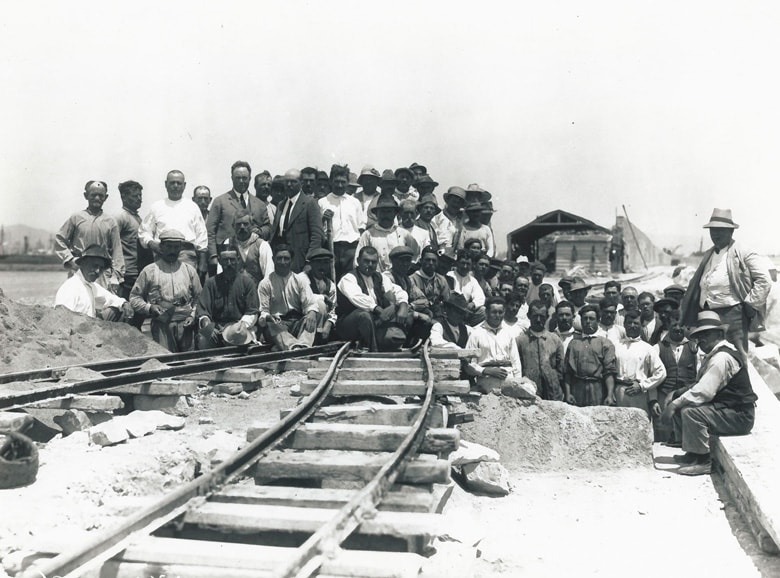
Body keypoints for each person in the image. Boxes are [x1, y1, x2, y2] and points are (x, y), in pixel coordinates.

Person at [661, 311, 757, 475]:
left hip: (740, 415)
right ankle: (692, 453)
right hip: (728, 410)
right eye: (699, 334)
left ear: (719, 334)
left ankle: (704, 461)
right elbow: (699, 383)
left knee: (691, 412)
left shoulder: (721, 358)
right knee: (682, 401)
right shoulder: (715, 355)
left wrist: (674, 404)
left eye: (706, 333)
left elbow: (703, 391)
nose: (701, 338)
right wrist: (676, 393)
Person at [680, 208, 771, 360]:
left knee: (736, 356)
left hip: (732, 315)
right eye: (713, 230)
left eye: (721, 230)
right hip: (708, 315)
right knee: (711, 356)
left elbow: (764, 280)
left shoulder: (742, 251)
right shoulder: (709, 254)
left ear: (731, 232)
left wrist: (750, 304)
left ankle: (740, 384)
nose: (716, 234)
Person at [130, 230, 201, 352]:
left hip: (186, 324)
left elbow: (199, 299)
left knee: (189, 362)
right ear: (161, 247)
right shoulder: (149, 271)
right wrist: (149, 307)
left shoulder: (189, 271)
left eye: (176, 247)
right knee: (166, 361)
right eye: (168, 246)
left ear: (181, 248)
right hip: (162, 324)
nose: (172, 251)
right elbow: (134, 298)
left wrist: (192, 315)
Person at [336, 246, 411, 351]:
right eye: (366, 261)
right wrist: (378, 309)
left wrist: (403, 305)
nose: (370, 265)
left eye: (373, 262)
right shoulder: (349, 278)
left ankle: (404, 345)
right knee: (364, 315)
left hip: (374, 321)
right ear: (358, 261)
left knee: (407, 313)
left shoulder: (379, 277)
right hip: (349, 324)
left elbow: (397, 291)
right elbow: (357, 297)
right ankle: (374, 351)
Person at [55, 180, 125, 291]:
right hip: (79, 269)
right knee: (78, 301)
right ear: (86, 196)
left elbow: (117, 251)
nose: (97, 198)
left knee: (101, 303)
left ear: (105, 197)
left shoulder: (111, 221)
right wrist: (70, 260)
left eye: (100, 195)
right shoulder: (76, 217)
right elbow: (59, 239)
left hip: (101, 272)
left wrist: (116, 276)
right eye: (93, 195)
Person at [138, 170, 208, 277]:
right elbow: (144, 231)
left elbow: (201, 236)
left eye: (179, 183)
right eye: (172, 183)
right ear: (166, 184)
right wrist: (152, 244)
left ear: (184, 186)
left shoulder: (192, 207)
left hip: (186, 256)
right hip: (162, 255)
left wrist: (202, 263)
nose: (175, 186)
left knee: (186, 289)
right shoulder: (157, 206)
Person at [207, 161, 271, 277]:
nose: (241, 181)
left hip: (253, 260)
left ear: (250, 178)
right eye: (238, 178)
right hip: (227, 257)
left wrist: (260, 231)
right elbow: (210, 231)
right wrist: (213, 256)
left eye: (244, 178)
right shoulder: (220, 201)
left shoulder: (260, 204)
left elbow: (267, 226)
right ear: (232, 178)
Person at [465, 297, 536, 398]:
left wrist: (517, 383)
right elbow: (468, 364)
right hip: (486, 386)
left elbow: (515, 362)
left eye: (500, 312)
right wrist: (485, 371)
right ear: (487, 312)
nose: (497, 316)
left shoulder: (508, 333)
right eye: (494, 312)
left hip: (509, 385)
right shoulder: (476, 333)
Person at [196, 243, 259, 349]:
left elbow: (252, 311)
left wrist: (240, 327)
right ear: (220, 261)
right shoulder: (211, 283)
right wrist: (207, 326)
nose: (229, 264)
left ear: (238, 260)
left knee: (247, 346)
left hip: (239, 328)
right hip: (217, 330)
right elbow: (203, 312)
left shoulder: (247, 283)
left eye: (232, 259)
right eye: (225, 260)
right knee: (202, 339)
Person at [258, 245, 320, 350]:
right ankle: (294, 347)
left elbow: (309, 304)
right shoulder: (265, 283)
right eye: (279, 258)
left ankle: (303, 346)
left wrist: (312, 313)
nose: (283, 262)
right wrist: (268, 317)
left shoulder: (299, 280)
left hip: (296, 322)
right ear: (273, 260)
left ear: (291, 260)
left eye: (286, 259)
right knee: (271, 326)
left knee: (311, 318)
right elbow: (263, 311)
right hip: (278, 324)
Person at [652, 311, 699, 443]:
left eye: (681, 325)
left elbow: (699, 374)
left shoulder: (694, 348)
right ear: (668, 326)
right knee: (663, 430)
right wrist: (654, 399)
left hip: (687, 395)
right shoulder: (658, 348)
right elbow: (652, 376)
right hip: (664, 395)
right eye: (674, 325)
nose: (678, 329)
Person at [54, 244, 134, 321]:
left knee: (118, 309)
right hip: (78, 329)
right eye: (94, 266)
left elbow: (109, 298)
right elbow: (61, 318)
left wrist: (124, 303)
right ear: (83, 263)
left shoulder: (91, 285)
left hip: (91, 326)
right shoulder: (71, 287)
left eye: (101, 268)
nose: (97, 271)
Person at [613, 310, 667, 415]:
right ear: (624, 324)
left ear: (641, 325)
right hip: (619, 391)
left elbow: (661, 372)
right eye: (629, 323)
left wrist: (642, 385)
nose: (632, 326)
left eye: (636, 323)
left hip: (639, 394)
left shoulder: (647, 348)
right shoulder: (616, 345)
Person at [270, 169, 324, 273]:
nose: (289, 184)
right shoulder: (281, 205)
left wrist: (309, 261)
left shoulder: (309, 204)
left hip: (301, 262)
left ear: (301, 183)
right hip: (281, 263)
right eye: (286, 182)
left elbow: (317, 235)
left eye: (293, 181)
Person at [115, 180, 152, 328]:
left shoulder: (138, 218)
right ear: (124, 196)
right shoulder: (120, 217)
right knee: (125, 317)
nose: (139, 199)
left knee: (138, 316)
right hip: (126, 276)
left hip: (138, 275)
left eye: (140, 195)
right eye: (135, 196)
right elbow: (112, 245)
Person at [564, 304, 617, 407]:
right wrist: (568, 393)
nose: (588, 321)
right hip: (577, 388)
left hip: (597, 388)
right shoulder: (573, 343)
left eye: (591, 319)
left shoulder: (605, 343)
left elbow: (609, 372)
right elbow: (567, 372)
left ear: (598, 321)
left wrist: (610, 395)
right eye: (585, 319)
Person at [319, 164, 365, 279]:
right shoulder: (322, 202)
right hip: (331, 248)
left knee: (350, 281)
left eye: (343, 182)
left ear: (347, 182)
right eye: (337, 181)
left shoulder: (355, 202)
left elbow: (361, 227)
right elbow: (317, 228)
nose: (340, 185)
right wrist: (323, 219)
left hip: (351, 249)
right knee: (332, 280)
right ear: (331, 182)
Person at [517, 300, 565, 401]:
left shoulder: (555, 339)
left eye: (542, 316)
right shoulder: (520, 340)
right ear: (528, 316)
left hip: (553, 392)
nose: (538, 320)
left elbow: (561, 367)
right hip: (528, 391)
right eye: (535, 316)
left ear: (547, 317)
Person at [384, 245, 433, 344]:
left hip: (404, 311)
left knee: (428, 313)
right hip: (389, 316)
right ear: (393, 261)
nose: (406, 264)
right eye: (402, 261)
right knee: (413, 317)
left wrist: (410, 306)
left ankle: (413, 343)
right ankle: (401, 343)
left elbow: (423, 300)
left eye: (408, 260)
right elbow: (392, 305)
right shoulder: (387, 278)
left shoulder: (406, 279)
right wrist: (416, 314)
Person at [355, 195, 417, 273]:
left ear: (395, 214)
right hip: (376, 279)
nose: (386, 215)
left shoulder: (404, 234)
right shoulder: (368, 235)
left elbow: (416, 255)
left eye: (389, 212)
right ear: (376, 214)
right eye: (382, 212)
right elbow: (358, 260)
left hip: (398, 278)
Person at [303, 248, 337, 343]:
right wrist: (322, 298)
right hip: (303, 319)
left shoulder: (330, 284)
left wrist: (329, 324)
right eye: (318, 263)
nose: (322, 267)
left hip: (322, 325)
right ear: (311, 264)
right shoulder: (302, 279)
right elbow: (303, 299)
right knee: (320, 304)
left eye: (326, 263)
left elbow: (333, 309)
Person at [231, 210, 274, 286]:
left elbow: (269, 274)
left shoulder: (262, 245)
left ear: (252, 225)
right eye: (238, 224)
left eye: (245, 224)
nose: (242, 227)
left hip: (255, 292)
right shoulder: (228, 244)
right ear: (233, 226)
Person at [410, 246, 451, 319]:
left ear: (438, 262)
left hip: (438, 317)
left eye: (434, 260)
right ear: (421, 260)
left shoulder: (441, 279)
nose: (431, 263)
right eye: (427, 260)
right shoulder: (412, 279)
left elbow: (446, 301)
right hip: (419, 317)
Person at [447, 250, 486, 326]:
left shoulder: (472, 280)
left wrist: (473, 304)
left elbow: (481, 297)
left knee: (483, 311)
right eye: (463, 263)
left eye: (468, 264)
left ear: (471, 265)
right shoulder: (450, 275)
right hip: (451, 310)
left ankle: (467, 327)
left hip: (465, 311)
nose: (465, 266)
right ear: (457, 263)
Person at [432, 185, 466, 253]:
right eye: (453, 201)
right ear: (447, 200)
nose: (455, 205)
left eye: (458, 203)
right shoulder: (437, 217)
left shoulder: (459, 222)